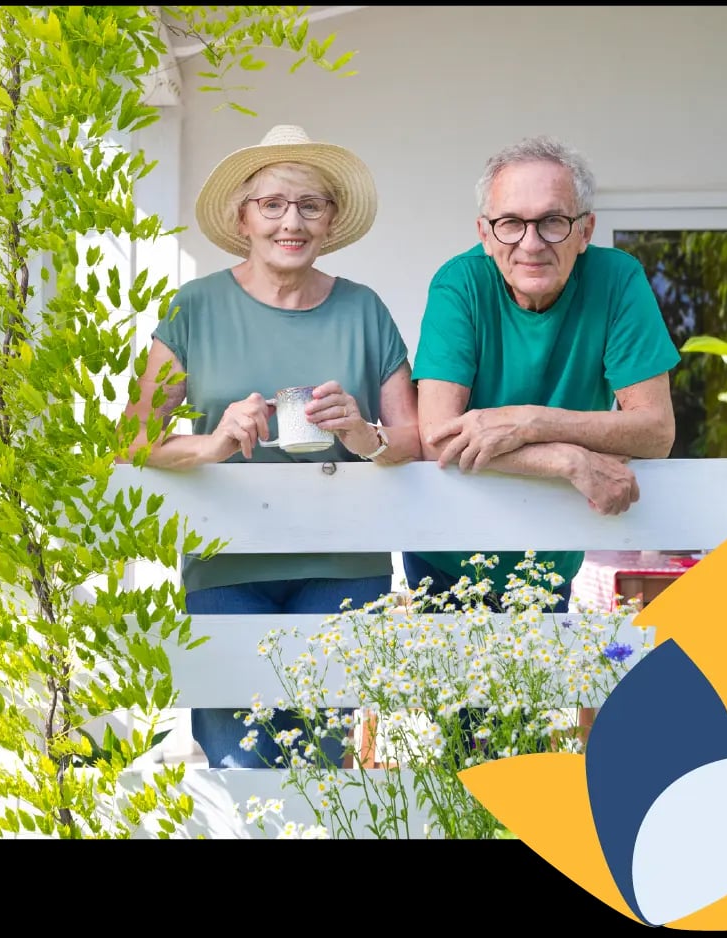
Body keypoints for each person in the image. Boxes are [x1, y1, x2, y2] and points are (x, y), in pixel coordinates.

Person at [118, 124, 421, 768]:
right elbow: (132, 440)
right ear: (243, 217)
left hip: (344, 567)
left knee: (314, 768)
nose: (293, 221)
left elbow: (416, 439)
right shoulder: (195, 307)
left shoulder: (365, 309)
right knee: (240, 765)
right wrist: (212, 443)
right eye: (274, 204)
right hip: (225, 566)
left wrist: (364, 435)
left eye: (311, 205)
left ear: (331, 222)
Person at [403, 135, 680, 613]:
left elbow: (656, 431)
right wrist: (568, 460)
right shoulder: (458, 283)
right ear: (486, 234)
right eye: (510, 223)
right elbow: (437, 437)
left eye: (552, 221)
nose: (530, 244)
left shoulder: (618, 281)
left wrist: (530, 421)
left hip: (552, 550)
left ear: (585, 230)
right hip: (447, 550)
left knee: (540, 689)